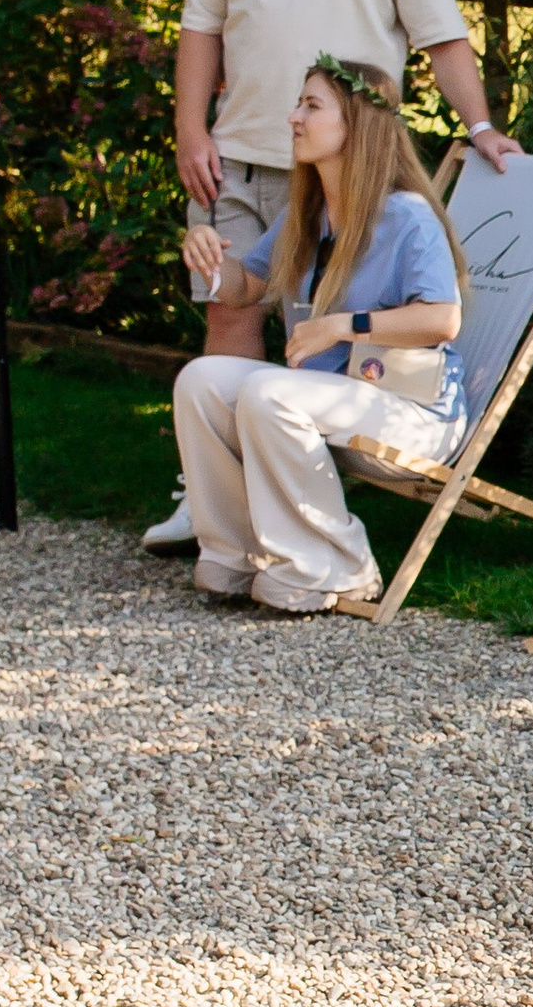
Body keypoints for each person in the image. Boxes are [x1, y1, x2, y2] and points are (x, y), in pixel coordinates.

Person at [143, 0, 518, 553]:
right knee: (229, 312)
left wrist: (481, 126)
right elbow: (200, 28)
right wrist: (189, 130)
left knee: (332, 341)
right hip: (242, 152)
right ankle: (211, 498)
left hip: (350, 172)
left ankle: (298, 516)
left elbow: (442, 36)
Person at [173, 56, 470, 614]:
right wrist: (210, 262)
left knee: (270, 392)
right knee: (202, 380)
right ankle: (239, 552)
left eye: (311, 106)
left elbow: (441, 319)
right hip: (332, 398)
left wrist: (344, 326)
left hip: (412, 411)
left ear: (355, 124)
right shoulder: (307, 214)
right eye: (298, 104)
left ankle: (336, 565)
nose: (294, 118)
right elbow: (246, 288)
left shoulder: (405, 215)